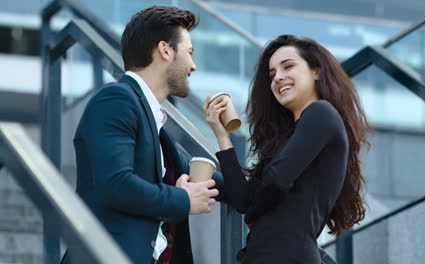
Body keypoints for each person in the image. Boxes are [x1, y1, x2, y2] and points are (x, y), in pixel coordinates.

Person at [61, 6, 223, 264]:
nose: (193, 65)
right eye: (190, 53)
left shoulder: (156, 126)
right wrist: (182, 199)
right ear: (165, 50)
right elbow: (116, 184)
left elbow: (207, 178)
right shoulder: (116, 100)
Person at [204, 34, 369, 263]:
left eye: (288, 66)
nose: (278, 78)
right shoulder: (287, 139)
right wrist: (222, 135)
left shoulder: (321, 113)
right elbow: (243, 200)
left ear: (316, 71)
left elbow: (276, 180)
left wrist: (254, 213)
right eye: (272, 75)